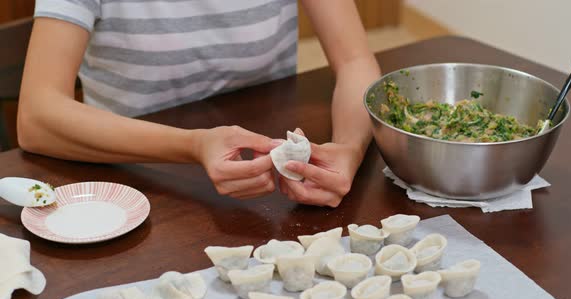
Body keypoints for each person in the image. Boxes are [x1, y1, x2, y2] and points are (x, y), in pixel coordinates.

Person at [17, 0, 381, 207]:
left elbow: (354, 61)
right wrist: (192, 145)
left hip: (270, 194)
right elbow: (37, 116)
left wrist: (349, 147)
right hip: (132, 183)